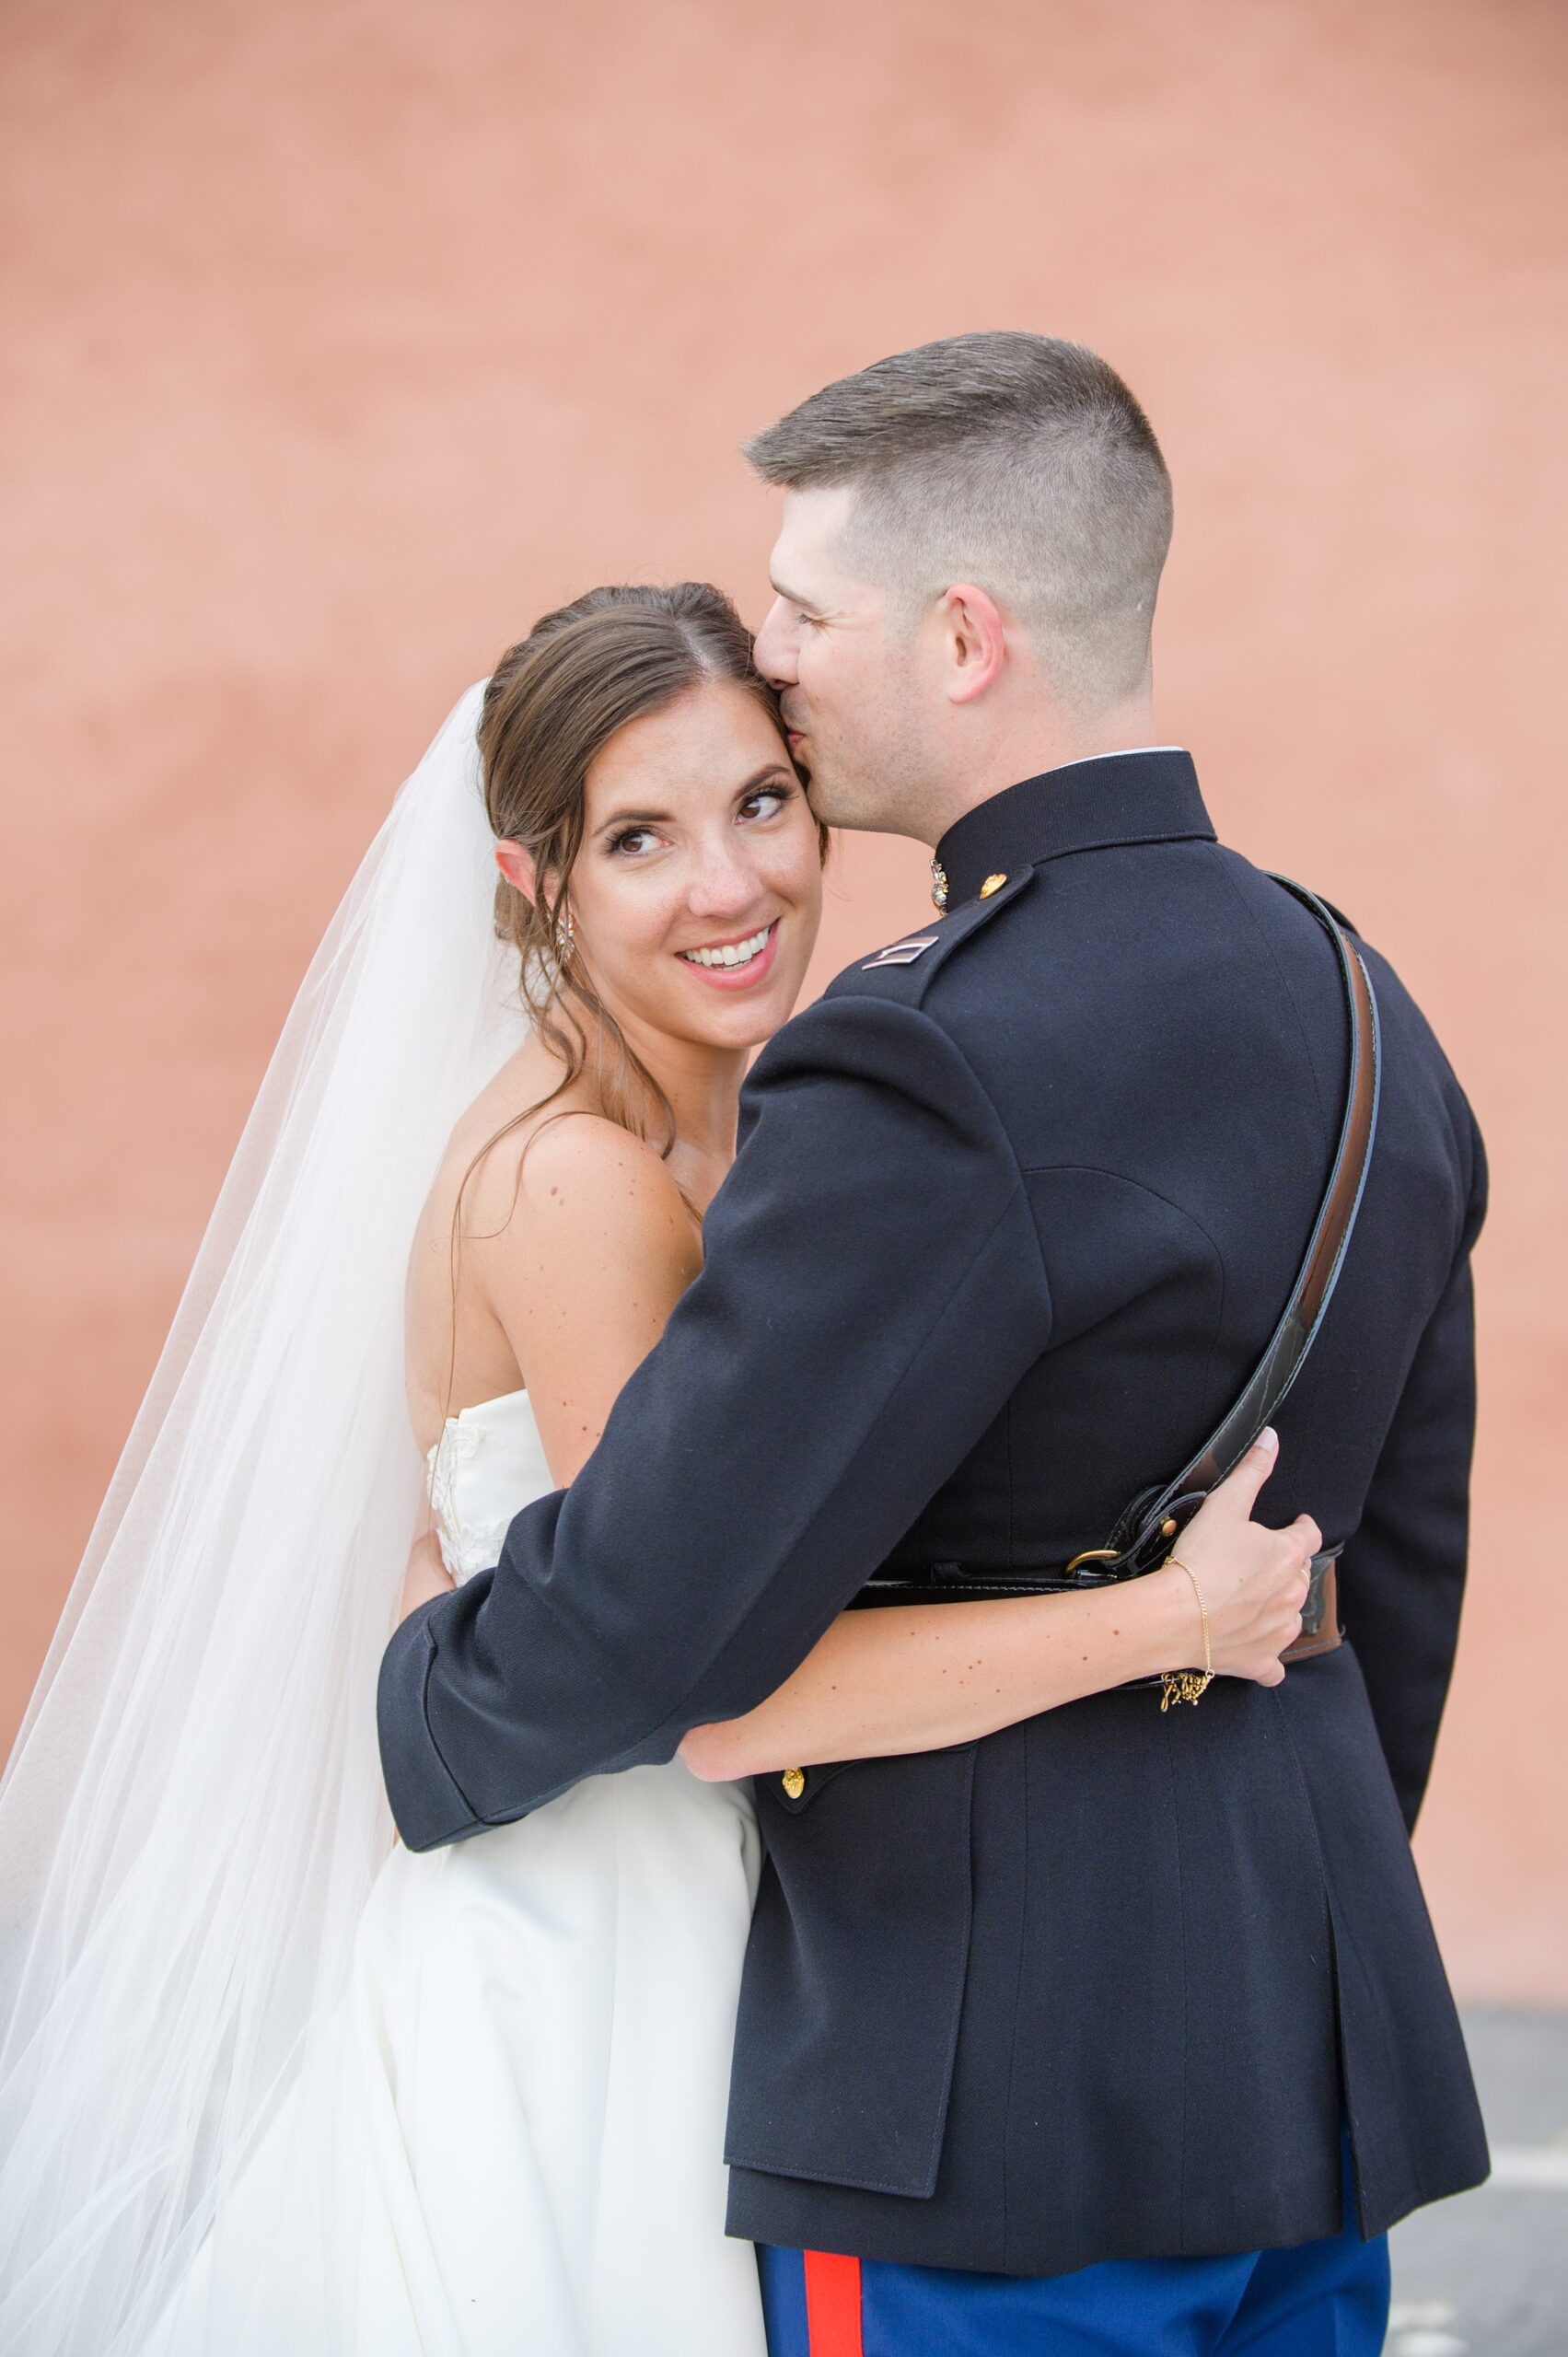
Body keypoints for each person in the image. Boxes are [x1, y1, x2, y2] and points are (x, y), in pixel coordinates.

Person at [0, 581, 1308, 2357]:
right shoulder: (575, 1182)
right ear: (533, 880)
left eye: (762, 801)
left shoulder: (766, 1129)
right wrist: (1167, 1617)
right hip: (590, 1969)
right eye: (640, 837)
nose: (732, 884)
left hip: (728, 1924)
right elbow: (700, 1685)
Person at [379, 336, 1491, 2357]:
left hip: (977, 2116)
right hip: (1304, 2069)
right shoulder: (1368, 998)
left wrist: (415, 1699)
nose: (776, 657)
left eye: (804, 612)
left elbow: (662, 1621)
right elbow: (1394, 1562)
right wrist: (1266, 1919)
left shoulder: (923, 1050)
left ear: (963, 634)